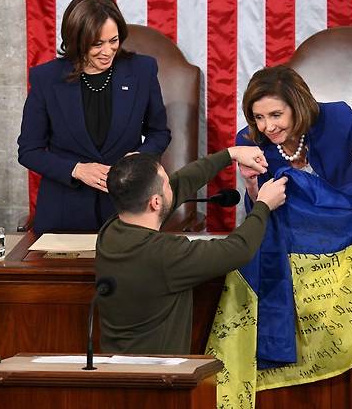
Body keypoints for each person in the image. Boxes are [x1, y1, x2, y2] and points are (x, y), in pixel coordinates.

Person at [95, 146, 288, 354]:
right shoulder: (164, 254)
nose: (173, 185)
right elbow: (238, 249)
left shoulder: (109, 232)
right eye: (167, 183)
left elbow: (179, 185)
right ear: (155, 202)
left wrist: (230, 155)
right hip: (158, 377)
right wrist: (264, 205)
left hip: (119, 370)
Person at [18, 0, 171, 233]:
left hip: (126, 209)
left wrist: (138, 159)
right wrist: (76, 169)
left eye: (114, 40)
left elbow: (159, 133)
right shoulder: (46, 78)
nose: (108, 51)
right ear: (76, 40)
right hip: (64, 213)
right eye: (97, 44)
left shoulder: (142, 70)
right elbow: (29, 151)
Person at [236, 65, 352, 201]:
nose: (268, 127)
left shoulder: (337, 118)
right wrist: (251, 185)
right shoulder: (250, 142)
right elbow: (258, 217)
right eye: (259, 117)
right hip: (296, 235)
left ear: (298, 107)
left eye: (276, 115)